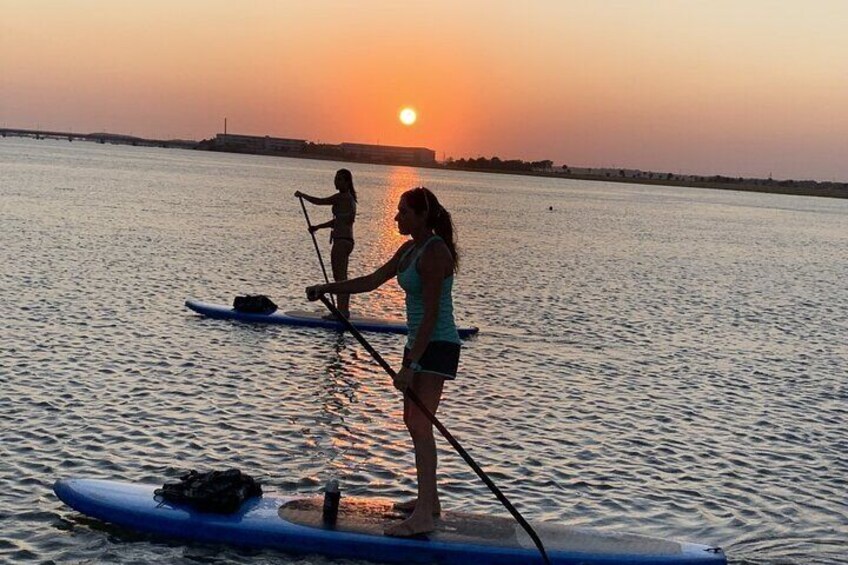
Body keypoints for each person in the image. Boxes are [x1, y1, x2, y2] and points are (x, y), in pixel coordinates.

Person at [306, 187, 461, 537]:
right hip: (417, 345)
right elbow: (373, 280)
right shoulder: (409, 249)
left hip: (435, 345)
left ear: (422, 216)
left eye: (404, 212)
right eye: (398, 211)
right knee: (413, 423)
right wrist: (328, 288)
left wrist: (411, 366)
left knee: (421, 426)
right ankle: (430, 501)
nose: (397, 218)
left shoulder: (435, 252)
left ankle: (423, 516)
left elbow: (433, 312)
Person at [295, 168, 357, 318]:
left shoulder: (342, 198)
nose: (336, 181)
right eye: (335, 178)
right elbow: (338, 222)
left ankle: (342, 311)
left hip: (341, 241)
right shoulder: (349, 199)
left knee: (340, 278)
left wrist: (303, 195)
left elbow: (320, 201)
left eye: (340, 179)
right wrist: (318, 227)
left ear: (347, 182)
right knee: (341, 277)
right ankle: (343, 310)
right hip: (346, 240)